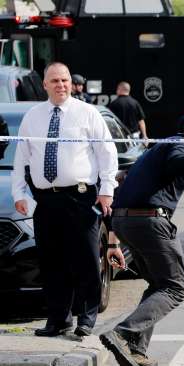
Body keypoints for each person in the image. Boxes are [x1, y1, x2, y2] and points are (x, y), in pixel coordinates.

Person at [99, 112, 184, 366]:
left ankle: (135, 350)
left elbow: (121, 184)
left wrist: (112, 241)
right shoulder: (181, 146)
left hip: (124, 221)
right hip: (149, 221)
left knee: (158, 284)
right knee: (175, 288)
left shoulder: (159, 148)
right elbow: (179, 164)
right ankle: (122, 332)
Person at [11, 62, 118, 337]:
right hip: (45, 201)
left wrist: (107, 189)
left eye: (65, 80)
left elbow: (107, 153)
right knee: (51, 262)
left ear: (71, 83)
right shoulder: (33, 116)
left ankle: (86, 317)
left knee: (84, 260)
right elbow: (22, 157)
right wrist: (19, 193)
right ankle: (58, 319)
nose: (61, 85)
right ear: (45, 84)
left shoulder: (87, 113)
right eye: (55, 80)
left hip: (80, 198)